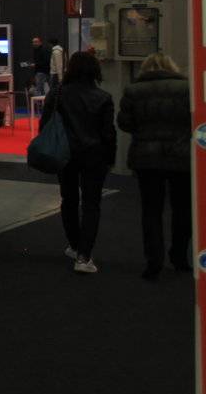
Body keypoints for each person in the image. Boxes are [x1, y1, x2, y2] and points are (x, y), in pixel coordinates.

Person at [42, 50, 116, 274]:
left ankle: (74, 246)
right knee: (92, 203)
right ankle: (84, 255)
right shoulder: (103, 97)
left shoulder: (57, 94)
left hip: (65, 154)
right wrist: (110, 157)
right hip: (94, 156)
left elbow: (46, 124)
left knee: (69, 199)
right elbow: (108, 133)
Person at [119, 51, 191, 279]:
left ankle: (154, 261)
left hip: (146, 158)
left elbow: (125, 123)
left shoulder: (133, 90)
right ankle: (179, 256)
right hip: (181, 156)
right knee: (182, 209)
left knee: (151, 210)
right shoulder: (187, 89)